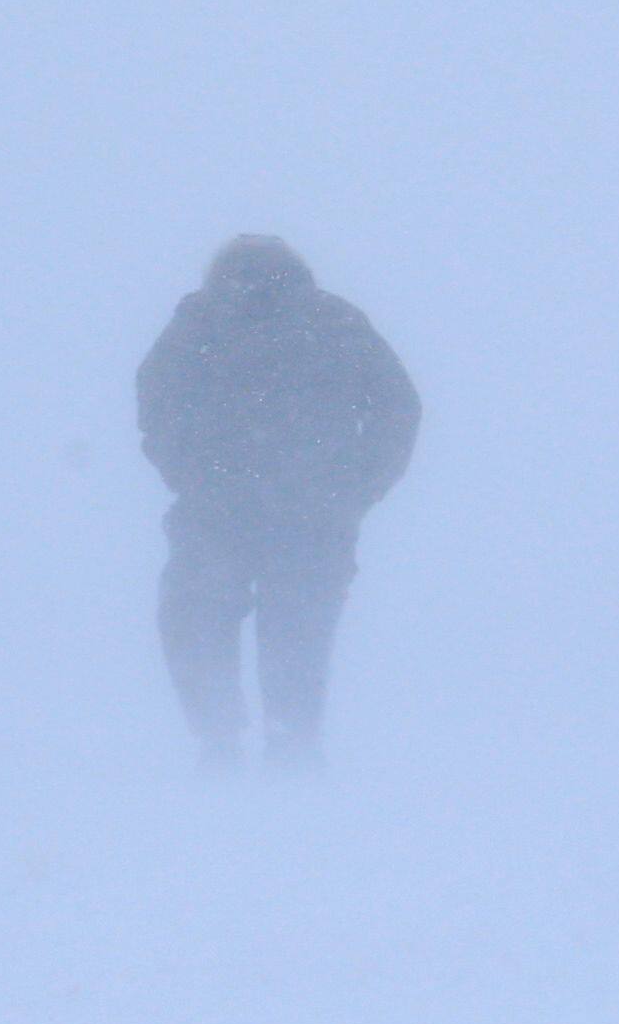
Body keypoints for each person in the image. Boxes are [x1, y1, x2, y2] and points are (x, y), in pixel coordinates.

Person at [134, 234, 420, 769]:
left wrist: (189, 472)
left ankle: (223, 740)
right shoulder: (334, 322)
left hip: (228, 508)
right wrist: (357, 486)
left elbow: (155, 400)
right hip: (303, 510)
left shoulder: (201, 323)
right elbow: (397, 408)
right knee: (296, 629)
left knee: (197, 620)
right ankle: (287, 743)